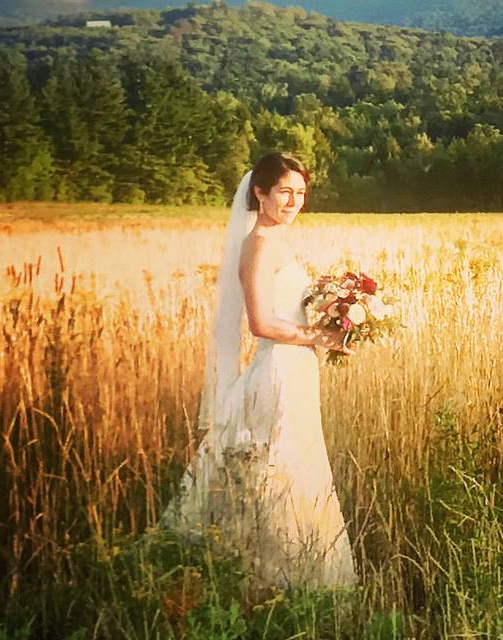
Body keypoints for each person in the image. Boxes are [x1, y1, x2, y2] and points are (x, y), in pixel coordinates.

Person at [161, 152, 359, 593]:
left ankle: (295, 570)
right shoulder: (259, 245)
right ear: (260, 193)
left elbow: (288, 309)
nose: (293, 201)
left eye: (301, 193)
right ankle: (273, 577)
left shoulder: (279, 243)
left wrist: (338, 314)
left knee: (296, 467)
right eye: (284, 191)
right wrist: (317, 337)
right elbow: (261, 323)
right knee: (277, 469)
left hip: (297, 372)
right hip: (278, 374)